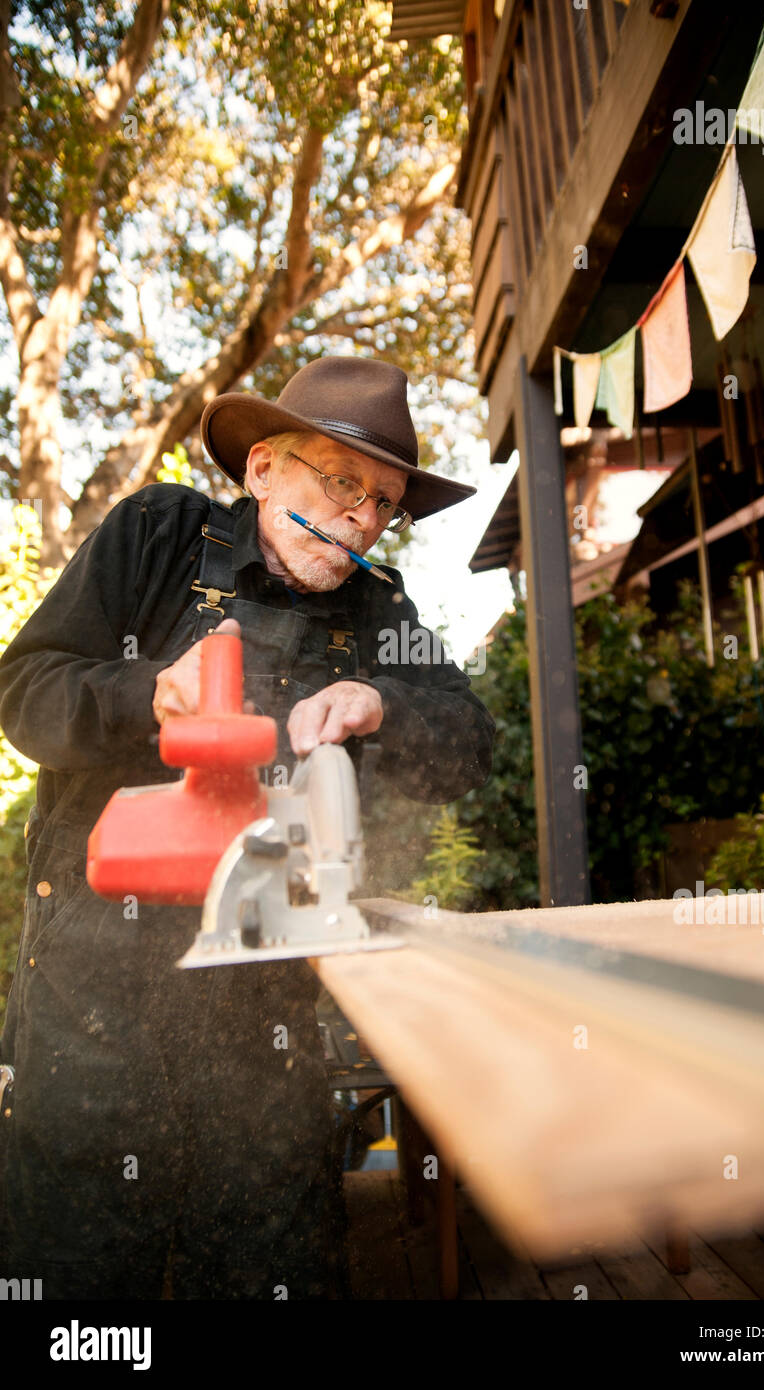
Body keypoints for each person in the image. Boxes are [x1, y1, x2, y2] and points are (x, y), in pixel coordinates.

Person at [0, 356, 495, 1299]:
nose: (362, 516)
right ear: (262, 468)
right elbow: (24, 694)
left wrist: (380, 701)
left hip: (259, 1014)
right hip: (94, 1000)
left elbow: (470, 745)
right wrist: (148, 693)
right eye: (341, 482)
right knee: (80, 1277)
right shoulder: (158, 535)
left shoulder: (376, 605)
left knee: (276, 1265)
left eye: (384, 502)